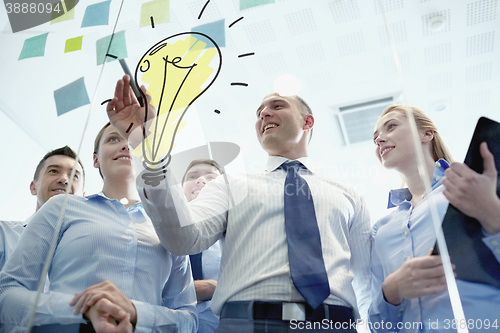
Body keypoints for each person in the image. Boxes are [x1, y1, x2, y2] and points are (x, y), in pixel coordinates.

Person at [105, 74, 372, 332]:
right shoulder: (229, 184)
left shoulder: (349, 194)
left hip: (335, 323)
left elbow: (366, 277)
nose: (264, 114)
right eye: (259, 112)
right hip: (245, 323)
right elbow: (183, 237)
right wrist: (146, 143)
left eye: (277, 106)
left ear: (308, 121)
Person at [0, 122, 197, 333]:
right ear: (95, 159)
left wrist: (136, 313)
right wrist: (83, 311)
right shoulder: (61, 207)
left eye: (133, 141)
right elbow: (7, 293)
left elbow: (190, 319)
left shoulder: (168, 226)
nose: (125, 145)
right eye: (114, 139)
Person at [370, 104, 500, 332]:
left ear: (427, 133)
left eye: (391, 126)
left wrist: (492, 214)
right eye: (375, 138)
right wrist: (390, 290)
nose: (379, 139)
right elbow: (378, 327)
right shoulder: (381, 230)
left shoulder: (473, 187)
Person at [0, 145, 85, 270]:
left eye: (74, 176)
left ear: (83, 198)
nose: (64, 179)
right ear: (33, 187)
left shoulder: (89, 253)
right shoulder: (3, 234)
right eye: (53, 171)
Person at [182, 159, 224, 333]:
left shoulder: (235, 234)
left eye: (211, 177)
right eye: (192, 176)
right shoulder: (159, 231)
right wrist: (207, 288)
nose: (200, 180)